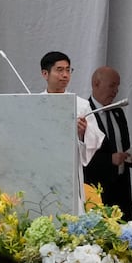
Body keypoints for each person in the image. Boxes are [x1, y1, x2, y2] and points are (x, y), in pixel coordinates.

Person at [40, 51, 104, 210]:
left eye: (68, 70)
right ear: (45, 74)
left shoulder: (81, 105)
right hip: (41, 171)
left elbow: (95, 138)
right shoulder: (35, 103)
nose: (65, 75)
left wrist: (82, 133)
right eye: (59, 70)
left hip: (69, 171)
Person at [84, 66, 132, 220]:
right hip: (97, 190)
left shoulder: (118, 112)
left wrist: (131, 159)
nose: (116, 91)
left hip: (121, 190)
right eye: (112, 85)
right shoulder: (84, 114)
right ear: (96, 84)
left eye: (117, 86)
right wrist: (109, 160)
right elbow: (81, 156)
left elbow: (122, 148)